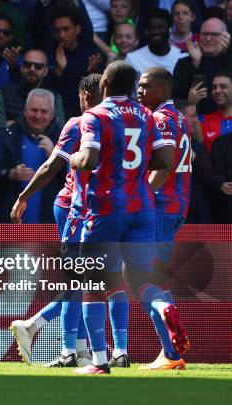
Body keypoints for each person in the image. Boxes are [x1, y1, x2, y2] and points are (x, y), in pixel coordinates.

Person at [69, 62, 187, 374]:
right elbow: (164, 160)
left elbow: (89, 158)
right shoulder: (147, 116)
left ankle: (98, 362)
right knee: (140, 278)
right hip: (143, 210)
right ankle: (164, 306)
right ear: (131, 84)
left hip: (107, 209)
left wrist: (76, 158)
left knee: (93, 281)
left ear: (104, 83)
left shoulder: (96, 116)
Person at [9, 74, 103, 368]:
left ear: (83, 95)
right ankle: (52, 338)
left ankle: (79, 348)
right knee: (81, 279)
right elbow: (52, 165)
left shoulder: (104, 123)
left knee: (90, 279)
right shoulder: (81, 124)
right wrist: (24, 195)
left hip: (92, 209)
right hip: (74, 206)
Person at [136, 67, 191, 370]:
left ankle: (170, 351)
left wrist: (140, 198)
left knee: (140, 277)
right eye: (138, 86)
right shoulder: (180, 117)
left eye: (145, 87)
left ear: (164, 90)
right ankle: (170, 353)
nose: (140, 92)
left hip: (160, 206)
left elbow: (166, 163)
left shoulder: (162, 118)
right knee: (153, 275)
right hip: (174, 205)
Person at [0, 88, 62, 223]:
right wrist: (10, 173)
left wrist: (56, 157)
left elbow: (78, 179)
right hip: (10, 226)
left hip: (50, 225)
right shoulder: (8, 136)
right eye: (33, 110)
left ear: (52, 114)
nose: (37, 116)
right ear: (25, 111)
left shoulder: (64, 139)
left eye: (43, 111)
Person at [125, 9, 186, 78]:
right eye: (151, 28)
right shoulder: (133, 59)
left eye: (160, 28)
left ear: (169, 30)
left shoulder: (182, 58)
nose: (156, 32)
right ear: (146, 32)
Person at [199, 70, 232, 153]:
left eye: (223, 87)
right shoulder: (203, 120)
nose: (217, 91)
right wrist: (191, 103)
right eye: (214, 87)